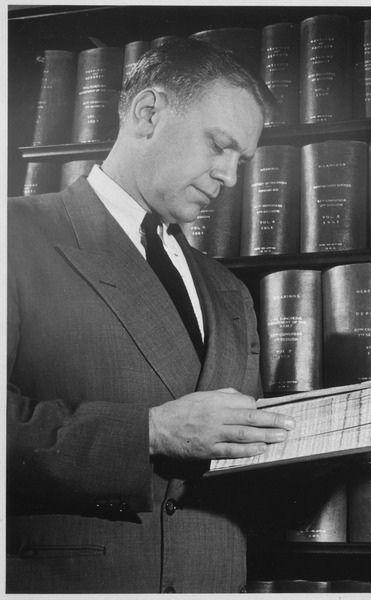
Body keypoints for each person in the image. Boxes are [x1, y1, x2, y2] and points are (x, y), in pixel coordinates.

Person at [7, 39, 296, 594]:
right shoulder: (15, 235)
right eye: (219, 146)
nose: (231, 178)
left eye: (241, 160)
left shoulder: (229, 290)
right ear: (147, 113)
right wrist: (150, 432)